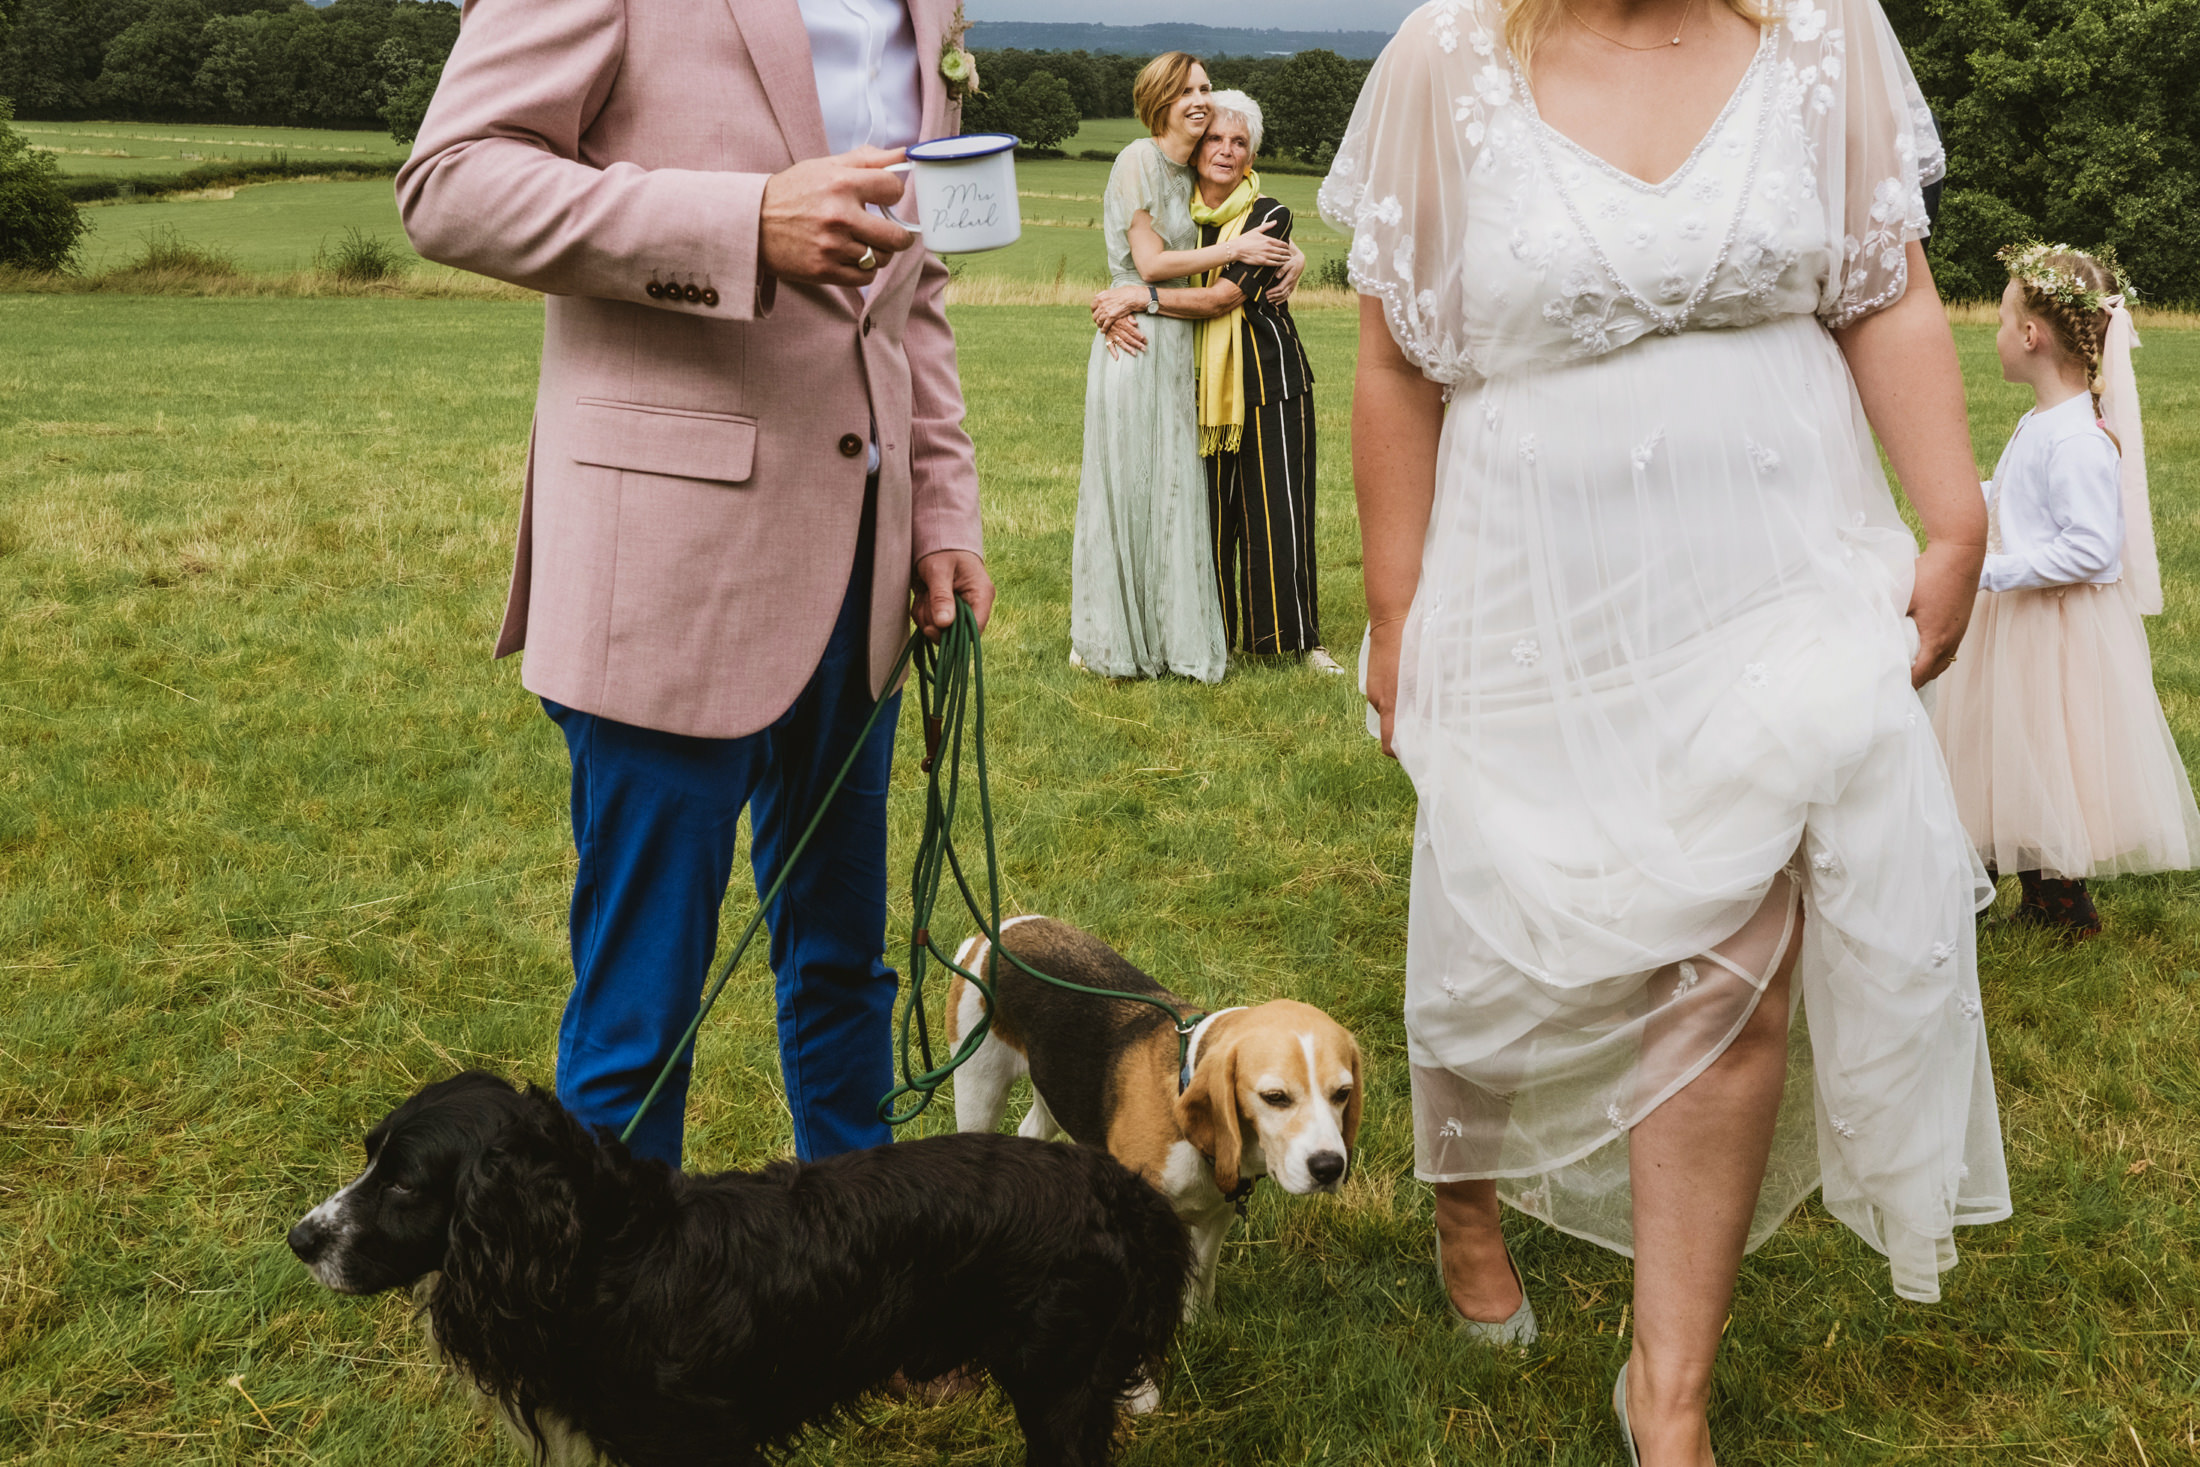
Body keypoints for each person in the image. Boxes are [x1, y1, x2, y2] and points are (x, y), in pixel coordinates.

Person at [1323, 0, 2011, 1458]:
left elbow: (1883, 289)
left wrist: (1955, 516)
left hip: (1776, 561)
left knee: (1736, 952)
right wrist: (1395, 606)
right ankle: (1466, 1198)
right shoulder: (1445, 59)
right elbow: (1394, 361)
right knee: (1513, 923)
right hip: (1529, 580)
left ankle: (1668, 1390)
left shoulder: (1827, 33)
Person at [395, 0, 994, 1170]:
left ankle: (864, 1258)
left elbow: (908, 286)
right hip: (667, 558)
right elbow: (452, 184)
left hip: (863, 561)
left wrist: (939, 509)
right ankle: (606, 1285)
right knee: (642, 1001)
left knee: (845, 968)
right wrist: (741, 221)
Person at [1931, 245, 2200, 936]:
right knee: (2010, 748)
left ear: (2031, 335)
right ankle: (2025, 895)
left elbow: (2089, 548)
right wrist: (1963, 508)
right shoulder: (2043, 421)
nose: (1995, 334)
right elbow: (2018, 497)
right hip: (2023, 613)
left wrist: (1989, 572)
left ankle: (2064, 908)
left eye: (2001, 321)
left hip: (2050, 624)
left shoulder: (2077, 438)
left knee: (2045, 752)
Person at [1096, 92, 1339, 675]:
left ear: (1251, 157)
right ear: (1197, 148)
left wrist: (1140, 298)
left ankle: (1294, 641)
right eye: (1216, 140)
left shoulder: (1269, 214)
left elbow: (1223, 297)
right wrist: (1122, 296)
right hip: (1192, 384)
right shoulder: (1177, 209)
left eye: (1240, 143)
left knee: (1278, 515)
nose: (1226, 151)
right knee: (1204, 520)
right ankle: (1210, 632)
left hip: (1270, 380)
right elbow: (1142, 257)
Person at [1070, 54, 1294, 682]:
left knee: (1173, 490)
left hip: (1179, 346)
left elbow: (1236, 204)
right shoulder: (1138, 160)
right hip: (1135, 337)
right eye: (1186, 90)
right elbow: (1149, 264)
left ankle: (1168, 634)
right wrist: (1238, 249)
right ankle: (1110, 635)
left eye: (1205, 88)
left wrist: (1292, 252)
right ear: (1160, 101)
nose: (1200, 99)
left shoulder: (1192, 169)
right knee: (1126, 486)